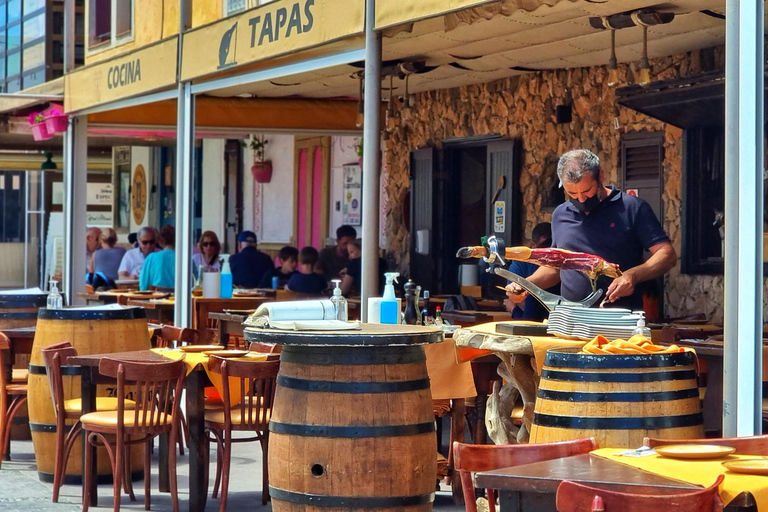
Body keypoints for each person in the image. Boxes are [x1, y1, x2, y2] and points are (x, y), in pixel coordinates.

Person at [507, 149, 676, 311]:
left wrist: (633, 275)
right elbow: (557, 267)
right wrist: (526, 285)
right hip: (571, 319)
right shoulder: (560, 215)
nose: (581, 198)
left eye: (587, 190)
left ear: (600, 176)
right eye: (572, 193)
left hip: (620, 319)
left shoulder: (632, 208)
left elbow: (666, 254)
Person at [507, 222, 559, 322]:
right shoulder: (521, 265)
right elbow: (514, 296)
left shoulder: (562, 264)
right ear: (533, 245)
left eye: (551, 246)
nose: (548, 251)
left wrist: (514, 311)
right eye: (544, 246)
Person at [139, 225, 176, 291]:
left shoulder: (151, 258)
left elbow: (143, 285)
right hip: (181, 299)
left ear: (160, 242)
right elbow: (195, 282)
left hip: (156, 298)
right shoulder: (186, 259)